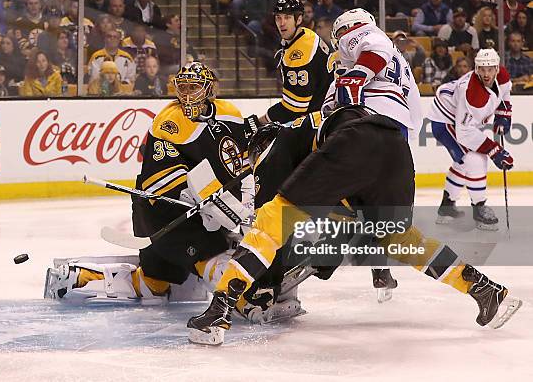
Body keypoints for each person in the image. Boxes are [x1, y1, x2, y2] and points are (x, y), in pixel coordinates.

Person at [188, 104, 521, 345]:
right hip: (396, 149)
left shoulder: (280, 143)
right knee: (402, 240)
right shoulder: (315, 130)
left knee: (270, 221)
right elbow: (341, 204)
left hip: (353, 142)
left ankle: (218, 309)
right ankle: (483, 288)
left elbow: (273, 222)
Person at [46, 62, 251, 308]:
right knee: (211, 258)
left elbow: (240, 162)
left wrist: (241, 201)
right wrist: (203, 203)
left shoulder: (230, 113)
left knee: (154, 285)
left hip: (201, 210)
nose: (186, 95)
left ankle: (82, 276)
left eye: (194, 87)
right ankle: (245, 299)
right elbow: (162, 180)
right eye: (182, 87)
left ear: (208, 90)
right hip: (161, 211)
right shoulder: (169, 122)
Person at [428, 49, 513, 230]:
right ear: (476, 68)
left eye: (490, 69)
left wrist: (503, 116)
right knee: (475, 160)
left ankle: (447, 207)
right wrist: (494, 150)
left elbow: (504, 94)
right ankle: (479, 208)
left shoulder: (503, 75)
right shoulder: (472, 94)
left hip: (458, 118)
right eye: (482, 69)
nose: (486, 74)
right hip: (445, 120)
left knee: (463, 162)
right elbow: (464, 132)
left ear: (497, 68)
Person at [325, 8, 422, 140]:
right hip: (400, 122)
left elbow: (375, 48)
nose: (341, 39)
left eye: (341, 33)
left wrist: (355, 77)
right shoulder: (402, 63)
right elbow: (416, 111)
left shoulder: (363, 34)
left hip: (372, 113)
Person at [251, 0, 333, 126]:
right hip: (322, 110)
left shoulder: (300, 52)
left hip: (319, 118)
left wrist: (258, 122)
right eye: (278, 18)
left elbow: (295, 108)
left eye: (287, 17)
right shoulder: (305, 35)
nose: (282, 23)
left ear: (299, 19)